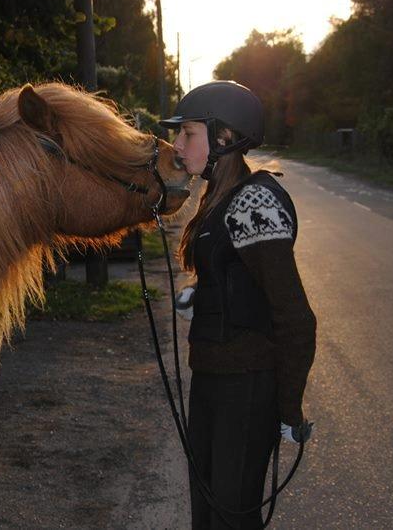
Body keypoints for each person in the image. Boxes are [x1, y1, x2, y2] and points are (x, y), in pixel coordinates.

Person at [159, 81, 316, 529]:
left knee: (231, 517)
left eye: (187, 133)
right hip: (211, 380)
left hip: (245, 390)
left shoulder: (254, 200)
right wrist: (200, 294)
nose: (177, 144)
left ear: (224, 137)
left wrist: (289, 409)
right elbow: (234, 276)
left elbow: (294, 316)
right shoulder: (219, 198)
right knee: (207, 513)